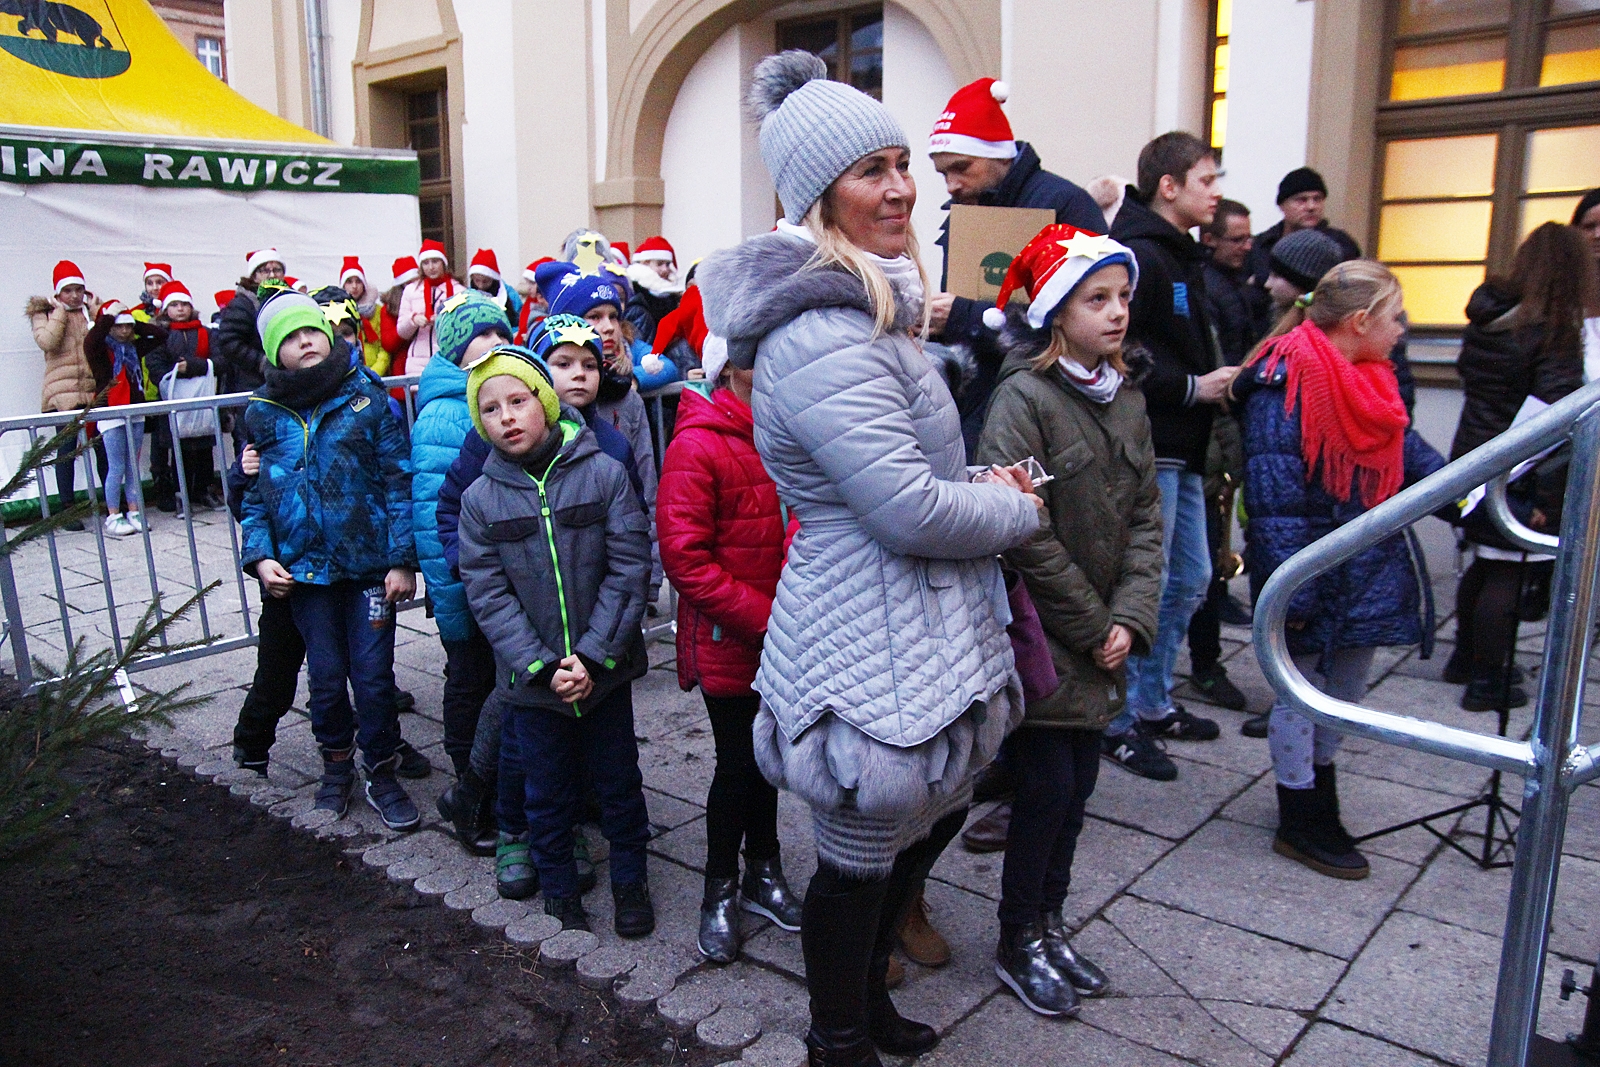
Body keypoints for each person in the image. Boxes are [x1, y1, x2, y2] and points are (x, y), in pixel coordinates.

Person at [698, 51, 1041, 1066]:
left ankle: (865, 1006)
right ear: (818, 197)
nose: (898, 187)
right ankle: (835, 1034)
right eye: (870, 170)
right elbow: (903, 509)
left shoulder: (871, 309)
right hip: (866, 615)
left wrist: (980, 493)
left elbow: (918, 484)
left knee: (910, 825)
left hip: (915, 611)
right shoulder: (824, 335)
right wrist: (1009, 507)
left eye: (902, 163)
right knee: (855, 848)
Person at [975, 225, 1163, 1017]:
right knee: (1046, 788)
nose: (1117, 312)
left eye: (1123, 297)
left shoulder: (1126, 396)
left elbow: (1148, 516)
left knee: (1079, 788)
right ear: (1058, 312)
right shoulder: (1024, 398)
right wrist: (1092, 623)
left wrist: (1131, 616)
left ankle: (1050, 923)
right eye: (1098, 299)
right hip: (1050, 637)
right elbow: (1023, 528)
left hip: (1104, 638)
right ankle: (1019, 935)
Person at [1234, 260, 1445, 880]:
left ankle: (1321, 795)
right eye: (1396, 317)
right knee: (1302, 695)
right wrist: (1290, 596)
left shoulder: (1371, 378)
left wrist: (1470, 493)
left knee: (1346, 692)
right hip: (1314, 568)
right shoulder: (1283, 383)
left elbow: (1404, 447)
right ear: (1359, 322)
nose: (1403, 330)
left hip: (1365, 564)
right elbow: (1276, 505)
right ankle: (1298, 814)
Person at [457, 342, 656, 938]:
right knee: (546, 795)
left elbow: (629, 565)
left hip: (605, 672)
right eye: (490, 410)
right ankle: (562, 896)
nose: (507, 417)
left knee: (619, 786)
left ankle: (630, 884)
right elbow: (488, 595)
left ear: (544, 401)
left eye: (518, 401)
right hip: (534, 683)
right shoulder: (479, 501)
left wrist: (594, 654)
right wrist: (541, 665)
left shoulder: (603, 473)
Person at [240, 289, 420, 830]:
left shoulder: (367, 398)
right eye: (291, 338)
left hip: (368, 572)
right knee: (324, 676)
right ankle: (336, 766)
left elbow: (398, 480)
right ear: (275, 354)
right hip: (307, 576)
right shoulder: (263, 415)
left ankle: (382, 768)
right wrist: (260, 556)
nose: (306, 341)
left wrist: (402, 559)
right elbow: (256, 497)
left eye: (312, 330)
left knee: (372, 676)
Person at [657, 340, 803, 965]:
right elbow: (685, 559)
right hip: (731, 640)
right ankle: (720, 887)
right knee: (737, 764)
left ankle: (763, 871)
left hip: (788, 635)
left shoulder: (789, 435)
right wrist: (768, 620)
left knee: (766, 760)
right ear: (735, 369)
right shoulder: (699, 442)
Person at [1105, 132, 1231, 780]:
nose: (1217, 191)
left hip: (1183, 445)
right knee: (1149, 586)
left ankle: (1150, 702)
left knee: (1187, 580)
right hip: (1154, 445)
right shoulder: (1142, 257)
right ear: (1169, 186)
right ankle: (1118, 719)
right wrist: (1191, 387)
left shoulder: (1179, 254)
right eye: (1207, 179)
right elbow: (1118, 351)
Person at [1446, 224, 1597, 711]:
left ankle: (1465, 660)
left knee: (1486, 564)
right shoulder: (1551, 330)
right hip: (1520, 467)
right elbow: (1556, 416)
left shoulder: (1492, 317)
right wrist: (1543, 497)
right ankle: (1487, 680)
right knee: (1510, 573)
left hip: (1476, 452)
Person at [924, 77, 1109, 455]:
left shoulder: (1066, 206)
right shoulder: (965, 211)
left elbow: (1078, 322)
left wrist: (962, 316)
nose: (951, 185)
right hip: (980, 410)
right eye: (943, 173)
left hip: (1053, 415)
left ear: (1000, 155)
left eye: (961, 167)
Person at [412, 291, 512, 852]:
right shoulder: (446, 414)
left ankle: (491, 786)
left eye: (501, 337)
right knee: (470, 679)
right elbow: (434, 509)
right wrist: (455, 579)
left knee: (498, 680)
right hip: (466, 578)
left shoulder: (507, 399)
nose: (495, 349)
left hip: (501, 576)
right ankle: (468, 788)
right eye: (481, 343)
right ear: (456, 355)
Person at [1184, 198, 1266, 720]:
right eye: (1236, 238)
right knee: (1201, 566)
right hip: (1212, 436)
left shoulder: (1240, 285)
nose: (1246, 246)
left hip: (1227, 433)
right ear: (1210, 240)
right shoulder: (1206, 288)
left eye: (1248, 237)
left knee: (1209, 563)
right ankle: (1205, 663)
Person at [29, 260, 103, 531]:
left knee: (102, 447)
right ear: (57, 293)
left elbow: (108, 339)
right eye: (68, 290)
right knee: (67, 451)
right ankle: (67, 510)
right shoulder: (44, 312)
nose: (74, 295)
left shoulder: (90, 312)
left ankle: (111, 504)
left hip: (93, 390)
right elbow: (47, 343)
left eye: (79, 289)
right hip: (63, 393)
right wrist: (59, 313)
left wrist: (96, 311)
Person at [85, 300, 164, 537]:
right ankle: (112, 514)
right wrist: (109, 317)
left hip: (135, 410)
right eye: (120, 327)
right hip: (111, 412)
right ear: (109, 327)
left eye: (128, 327)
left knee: (132, 465)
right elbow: (91, 340)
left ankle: (134, 510)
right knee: (116, 466)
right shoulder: (101, 351)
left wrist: (134, 322)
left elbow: (160, 335)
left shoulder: (134, 348)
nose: (125, 331)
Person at [147, 281, 219, 513]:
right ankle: (181, 493)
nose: (180, 309)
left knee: (204, 447)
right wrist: (175, 374)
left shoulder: (207, 333)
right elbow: (154, 364)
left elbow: (221, 361)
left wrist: (195, 367)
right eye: (175, 304)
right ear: (165, 309)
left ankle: (202, 489)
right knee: (179, 449)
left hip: (202, 400)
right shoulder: (160, 335)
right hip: (174, 402)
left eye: (184, 304)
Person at [1248, 167, 1362, 290]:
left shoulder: (1341, 244)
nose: (1311, 207)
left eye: (1317, 199)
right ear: (1281, 205)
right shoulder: (1261, 245)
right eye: (1301, 200)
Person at [215, 248, 286, 395]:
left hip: (287, 376)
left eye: (277, 270)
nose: (272, 275)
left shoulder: (289, 298)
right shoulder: (242, 304)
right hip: (253, 381)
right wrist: (261, 361)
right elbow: (229, 342)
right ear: (254, 276)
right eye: (265, 271)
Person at [397, 239, 462, 366]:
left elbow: (464, 327)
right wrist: (413, 320)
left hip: (448, 358)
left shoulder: (459, 291)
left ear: (444, 263)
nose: (431, 267)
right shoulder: (411, 290)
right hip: (417, 361)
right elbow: (401, 332)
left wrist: (444, 321)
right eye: (426, 263)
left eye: (435, 261)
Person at [624, 236, 685, 345]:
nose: (665, 269)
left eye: (667, 264)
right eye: (660, 264)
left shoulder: (667, 297)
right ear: (645, 263)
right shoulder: (639, 305)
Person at [338, 257, 389, 374]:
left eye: (358, 281)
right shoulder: (338, 313)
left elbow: (384, 347)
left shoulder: (377, 311)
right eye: (349, 282)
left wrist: (376, 371)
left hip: (377, 372)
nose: (354, 286)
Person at [467, 248, 524, 326]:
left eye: (485, 281)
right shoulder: (468, 295)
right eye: (477, 281)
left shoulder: (511, 295)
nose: (481, 285)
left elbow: (519, 323)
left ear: (493, 279)